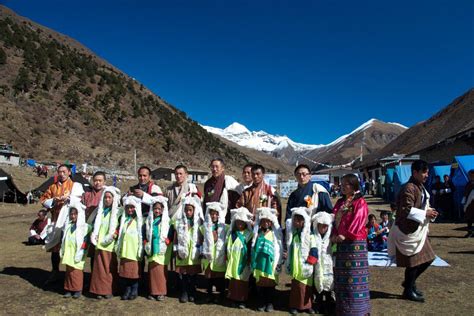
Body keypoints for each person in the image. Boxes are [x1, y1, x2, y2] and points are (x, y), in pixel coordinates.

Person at [388, 160, 438, 303]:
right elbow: (405, 209)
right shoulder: (409, 188)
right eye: (424, 172)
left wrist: (429, 212)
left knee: (427, 258)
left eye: (427, 172)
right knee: (414, 262)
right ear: (415, 172)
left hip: (417, 229)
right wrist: (425, 213)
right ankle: (408, 289)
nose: (426, 175)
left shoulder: (419, 187)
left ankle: (409, 284)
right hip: (407, 231)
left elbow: (421, 205)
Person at [332, 174, 370, 315]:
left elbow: (358, 221)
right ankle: (343, 309)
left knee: (355, 278)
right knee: (342, 277)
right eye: (341, 184)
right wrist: (335, 234)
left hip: (355, 244)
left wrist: (345, 234)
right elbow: (334, 217)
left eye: (345, 184)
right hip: (341, 244)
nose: (342, 186)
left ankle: (357, 310)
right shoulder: (340, 202)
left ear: (353, 185)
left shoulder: (360, 202)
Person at [40, 164, 84, 285]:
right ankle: (55, 271)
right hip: (56, 220)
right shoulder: (53, 187)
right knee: (55, 249)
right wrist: (55, 200)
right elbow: (43, 200)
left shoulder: (75, 186)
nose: (61, 174)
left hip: (70, 221)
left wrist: (69, 198)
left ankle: (71, 275)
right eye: (59, 172)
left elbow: (80, 199)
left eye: (64, 172)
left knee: (70, 247)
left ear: (69, 172)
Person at [89, 186, 122, 299]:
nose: (107, 200)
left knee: (109, 268)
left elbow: (119, 227)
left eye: (109, 198)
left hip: (110, 245)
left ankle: (110, 290)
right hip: (99, 244)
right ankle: (99, 290)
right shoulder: (101, 212)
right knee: (99, 269)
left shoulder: (118, 212)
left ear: (113, 199)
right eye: (105, 197)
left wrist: (114, 235)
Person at [285, 207, 318, 315]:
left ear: (305, 221)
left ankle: (307, 306)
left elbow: (313, 249)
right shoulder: (293, 235)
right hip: (296, 265)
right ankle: (294, 306)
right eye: (295, 220)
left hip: (306, 266)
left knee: (307, 287)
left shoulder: (310, 236)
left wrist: (310, 263)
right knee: (296, 287)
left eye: (299, 220)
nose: (296, 222)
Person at [251, 207, 283, 312]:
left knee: (270, 285)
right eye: (263, 221)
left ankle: (269, 303)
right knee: (261, 284)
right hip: (260, 264)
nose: (265, 223)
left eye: (268, 221)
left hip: (270, 264)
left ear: (271, 222)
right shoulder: (258, 233)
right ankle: (261, 302)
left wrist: (278, 262)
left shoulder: (274, 234)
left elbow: (278, 248)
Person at [173, 196, 203, 303]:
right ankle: (184, 291)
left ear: (194, 210)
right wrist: (176, 249)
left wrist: (202, 250)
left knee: (193, 274)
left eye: (190, 210)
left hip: (194, 253)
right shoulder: (179, 222)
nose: (188, 212)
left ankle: (192, 291)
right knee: (184, 274)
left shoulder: (199, 223)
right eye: (186, 210)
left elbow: (201, 237)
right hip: (183, 252)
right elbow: (176, 238)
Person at [144, 196, 174, 301]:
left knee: (160, 272)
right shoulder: (149, 221)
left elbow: (170, 233)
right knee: (152, 271)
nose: (157, 211)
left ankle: (161, 292)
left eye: (159, 209)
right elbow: (145, 232)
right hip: (152, 248)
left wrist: (168, 240)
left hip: (162, 250)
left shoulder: (166, 221)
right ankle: (153, 292)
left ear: (163, 210)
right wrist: (145, 241)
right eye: (155, 208)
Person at [60, 200, 90, 299]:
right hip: (69, 252)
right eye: (71, 214)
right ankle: (68, 289)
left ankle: (77, 289)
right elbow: (64, 239)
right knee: (69, 272)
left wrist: (81, 252)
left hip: (77, 253)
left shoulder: (84, 227)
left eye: (75, 214)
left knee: (76, 272)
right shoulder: (68, 226)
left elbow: (85, 241)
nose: (73, 216)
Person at [116, 196, 144, 300]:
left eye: (132, 208)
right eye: (128, 208)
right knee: (125, 273)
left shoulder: (139, 221)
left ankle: (134, 289)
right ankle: (127, 289)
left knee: (134, 273)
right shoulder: (124, 220)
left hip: (134, 251)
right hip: (125, 250)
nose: (130, 210)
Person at [225, 207, 254, 309]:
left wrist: (249, 259)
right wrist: (228, 257)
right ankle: (233, 298)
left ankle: (242, 300)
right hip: (233, 260)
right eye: (238, 222)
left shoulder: (249, 234)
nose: (240, 225)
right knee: (234, 280)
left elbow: (250, 248)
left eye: (242, 222)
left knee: (243, 280)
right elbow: (228, 246)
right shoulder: (232, 234)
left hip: (243, 261)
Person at [200, 202, 229, 304]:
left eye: (216, 214)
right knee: (209, 277)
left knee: (220, 277)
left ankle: (221, 295)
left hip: (219, 256)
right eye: (212, 214)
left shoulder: (225, 227)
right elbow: (200, 240)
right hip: (208, 256)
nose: (214, 216)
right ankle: (209, 295)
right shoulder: (204, 227)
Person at [311, 211, 335, 315]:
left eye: (325, 226)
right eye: (321, 226)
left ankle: (329, 305)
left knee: (328, 286)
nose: (323, 228)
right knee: (318, 286)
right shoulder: (313, 236)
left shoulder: (330, 238)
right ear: (317, 225)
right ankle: (319, 304)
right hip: (317, 265)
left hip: (328, 264)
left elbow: (334, 249)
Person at [462, 169, 474, 237]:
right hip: (469, 204)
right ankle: (470, 232)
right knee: (469, 218)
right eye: (470, 175)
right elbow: (466, 192)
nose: (470, 176)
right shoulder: (468, 183)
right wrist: (464, 200)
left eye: (471, 175)